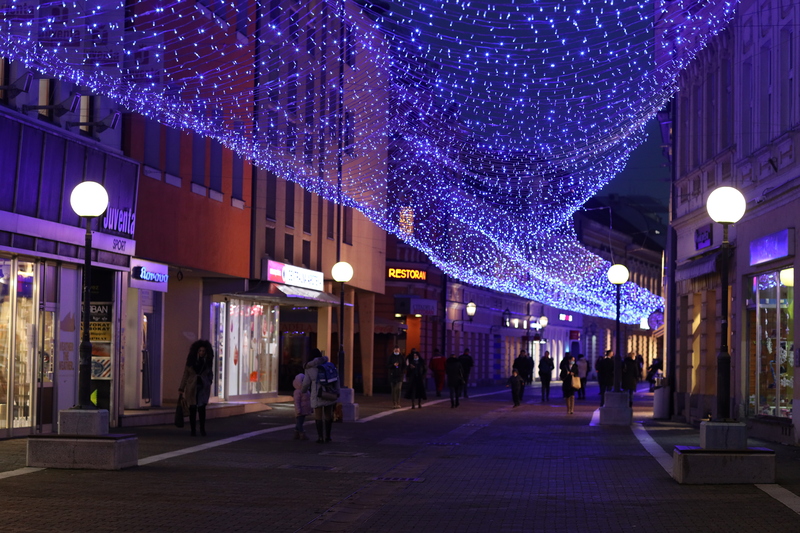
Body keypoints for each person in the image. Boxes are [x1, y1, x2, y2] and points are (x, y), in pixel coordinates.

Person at [178, 339, 214, 437]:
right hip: (191, 387)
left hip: (203, 387)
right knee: (192, 409)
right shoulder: (191, 361)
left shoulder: (207, 362)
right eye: (200, 351)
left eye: (203, 351)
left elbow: (210, 374)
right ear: (197, 351)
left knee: (202, 409)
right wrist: (181, 388)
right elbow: (185, 374)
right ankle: (193, 430)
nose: (202, 353)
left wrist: (209, 381)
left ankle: (202, 429)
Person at [302, 349, 339, 444]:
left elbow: (306, 382)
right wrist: (337, 391)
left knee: (318, 415)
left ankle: (320, 437)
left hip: (317, 393)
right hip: (329, 392)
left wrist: (303, 391)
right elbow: (336, 379)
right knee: (328, 415)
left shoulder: (309, 367)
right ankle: (328, 436)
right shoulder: (329, 365)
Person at [292, 372, 312, 440]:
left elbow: (309, 401)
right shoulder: (298, 391)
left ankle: (297, 434)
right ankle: (302, 434)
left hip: (305, 409)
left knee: (300, 422)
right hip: (301, 410)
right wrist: (298, 410)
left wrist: (310, 408)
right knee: (299, 423)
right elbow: (296, 402)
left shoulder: (306, 390)